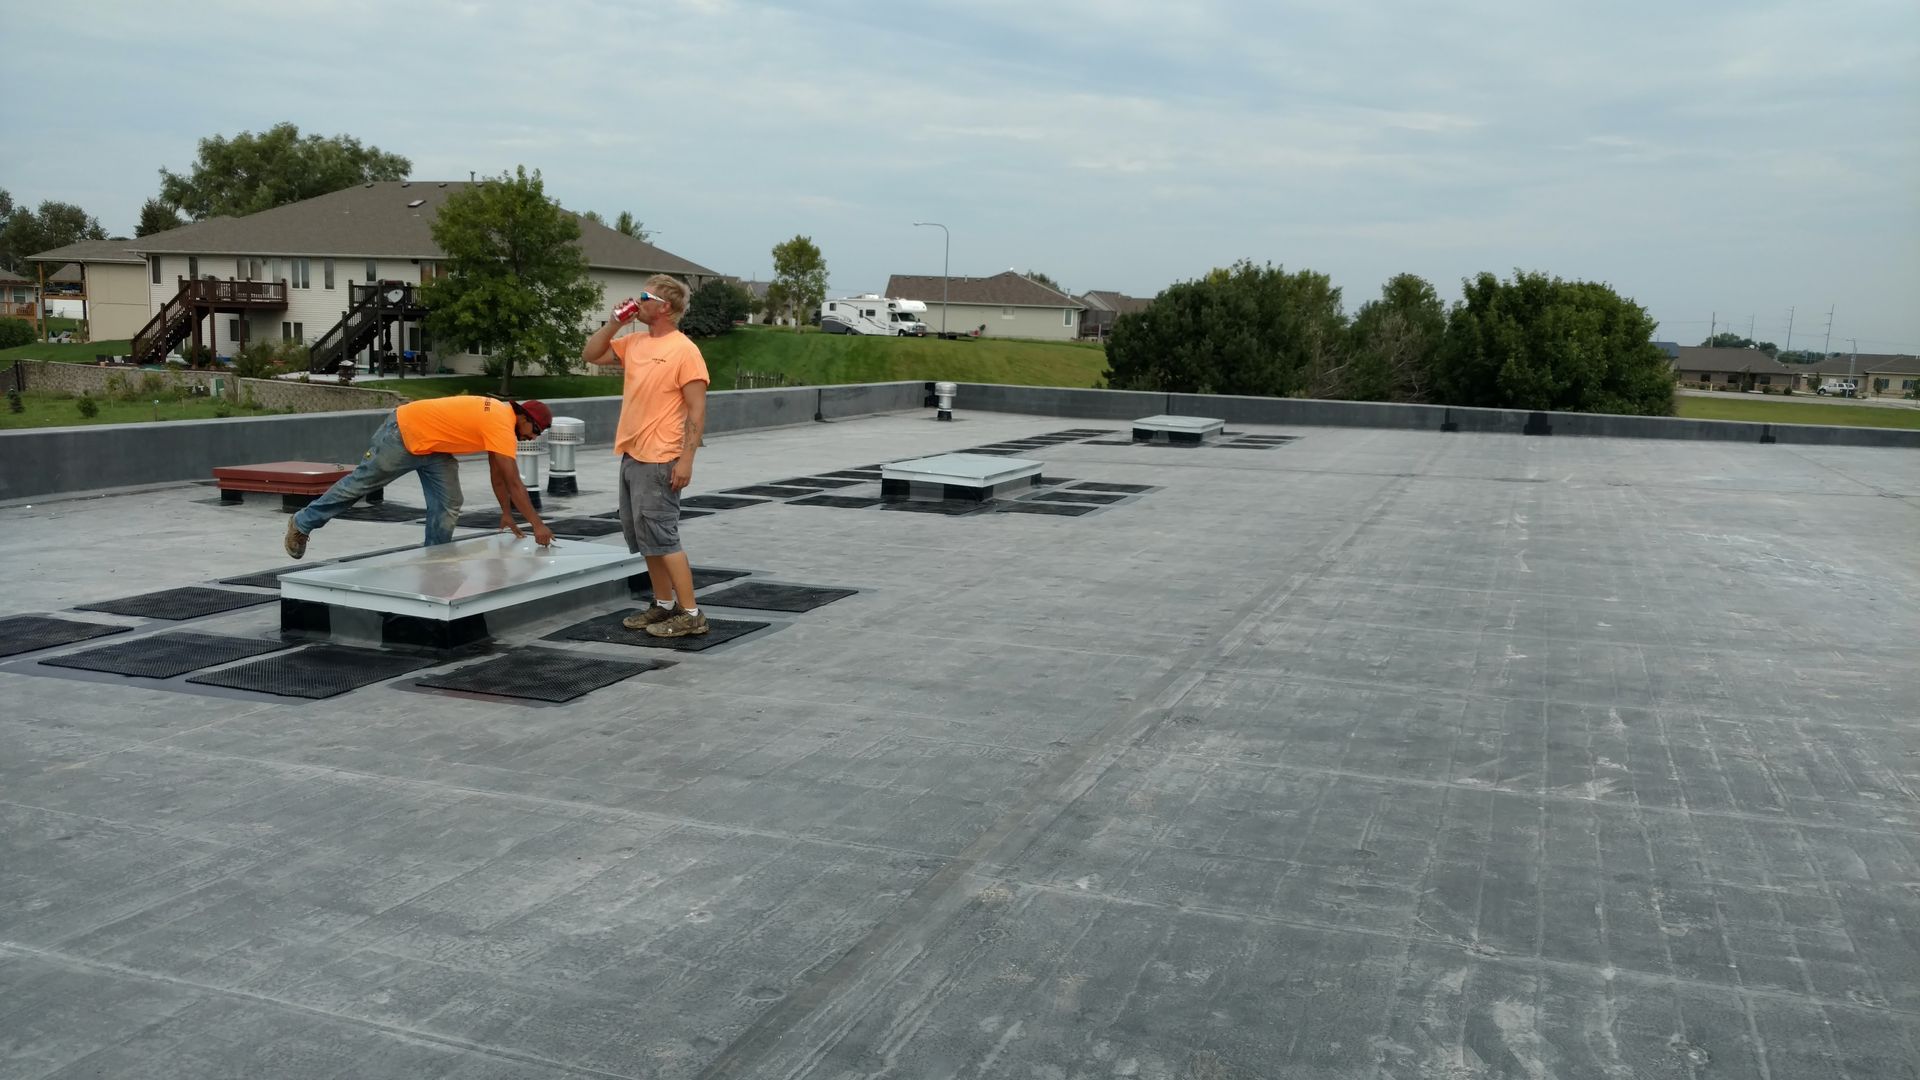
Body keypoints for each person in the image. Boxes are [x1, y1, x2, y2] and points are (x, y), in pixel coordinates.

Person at [582, 276, 710, 638]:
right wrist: (614, 323)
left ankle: (691, 613)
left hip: (662, 456)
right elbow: (591, 355)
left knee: (663, 536)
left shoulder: (684, 351)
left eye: (644, 297)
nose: (636, 302)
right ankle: (663, 604)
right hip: (633, 454)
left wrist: (686, 460)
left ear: (664, 307)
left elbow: (697, 412)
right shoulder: (634, 342)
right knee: (643, 536)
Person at [282, 395, 557, 559]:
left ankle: (433, 559)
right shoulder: (500, 423)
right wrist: (537, 525)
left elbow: (498, 476)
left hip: (435, 449)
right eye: (535, 430)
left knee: (449, 502)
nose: (532, 437)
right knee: (360, 485)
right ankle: (303, 522)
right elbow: (514, 483)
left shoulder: (500, 421)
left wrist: (507, 514)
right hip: (403, 434)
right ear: (523, 416)